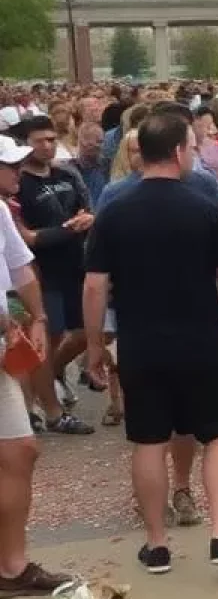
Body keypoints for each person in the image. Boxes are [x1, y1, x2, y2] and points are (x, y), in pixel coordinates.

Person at [82, 109, 218, 574]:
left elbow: (95, 285)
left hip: (141, 341)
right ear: (180, 151)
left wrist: (96, 346)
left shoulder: (113, 209)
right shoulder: (203, 206)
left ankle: (157, 542)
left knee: (148, 440)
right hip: (200, 337)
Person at [0, 136, 69, 596]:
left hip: (3, 344)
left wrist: (38, 317)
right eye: (10, 165)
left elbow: (20, 267)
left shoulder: (3, 210)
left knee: (20, 449)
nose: (19, 172)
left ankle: (12, 565)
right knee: (17, 450)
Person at [13, 117, 94, 436]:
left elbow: (86, 208)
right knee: (43, 340)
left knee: (87, 331)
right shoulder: (20, 185)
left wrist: (86, 220)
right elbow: (28, 239)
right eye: (38, 140)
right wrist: (64, 231)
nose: (47, 145)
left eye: (51, 139)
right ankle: (51, 411)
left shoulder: (67, 174)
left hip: (77, 265)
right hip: (41, 274)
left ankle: (53, 376)